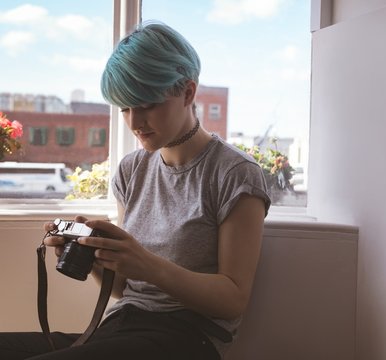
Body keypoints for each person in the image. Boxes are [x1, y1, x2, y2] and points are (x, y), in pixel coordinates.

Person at [0, 21, 270, 360]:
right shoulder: (132, 169)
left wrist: (146, 264)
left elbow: (233, 299)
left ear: (188, 93)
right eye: (125, 107)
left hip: (187, 338)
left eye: (146, 105)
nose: (134, 121)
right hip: (120, 326)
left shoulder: (235, 173)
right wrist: (96, 255)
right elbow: (124, 290)